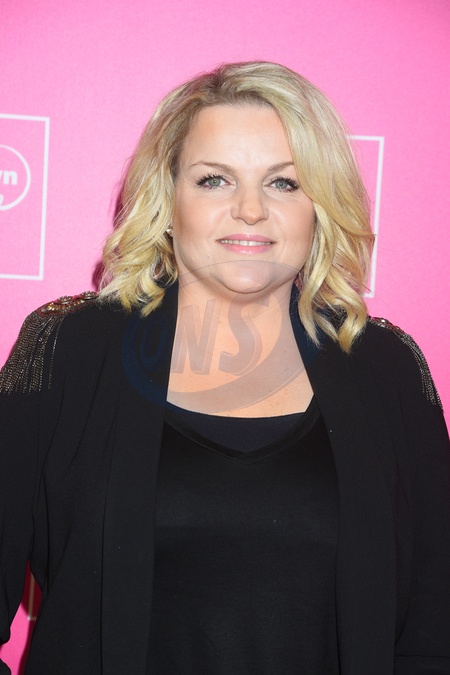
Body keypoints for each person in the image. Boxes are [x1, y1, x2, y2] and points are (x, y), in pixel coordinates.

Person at [0, 62, 449, 675]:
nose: (250, 210)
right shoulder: (67, 353)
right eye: (214, 180)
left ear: (320, 206)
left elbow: (432, 627)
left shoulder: (387, 371)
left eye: (284, 183)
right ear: (167, 200)